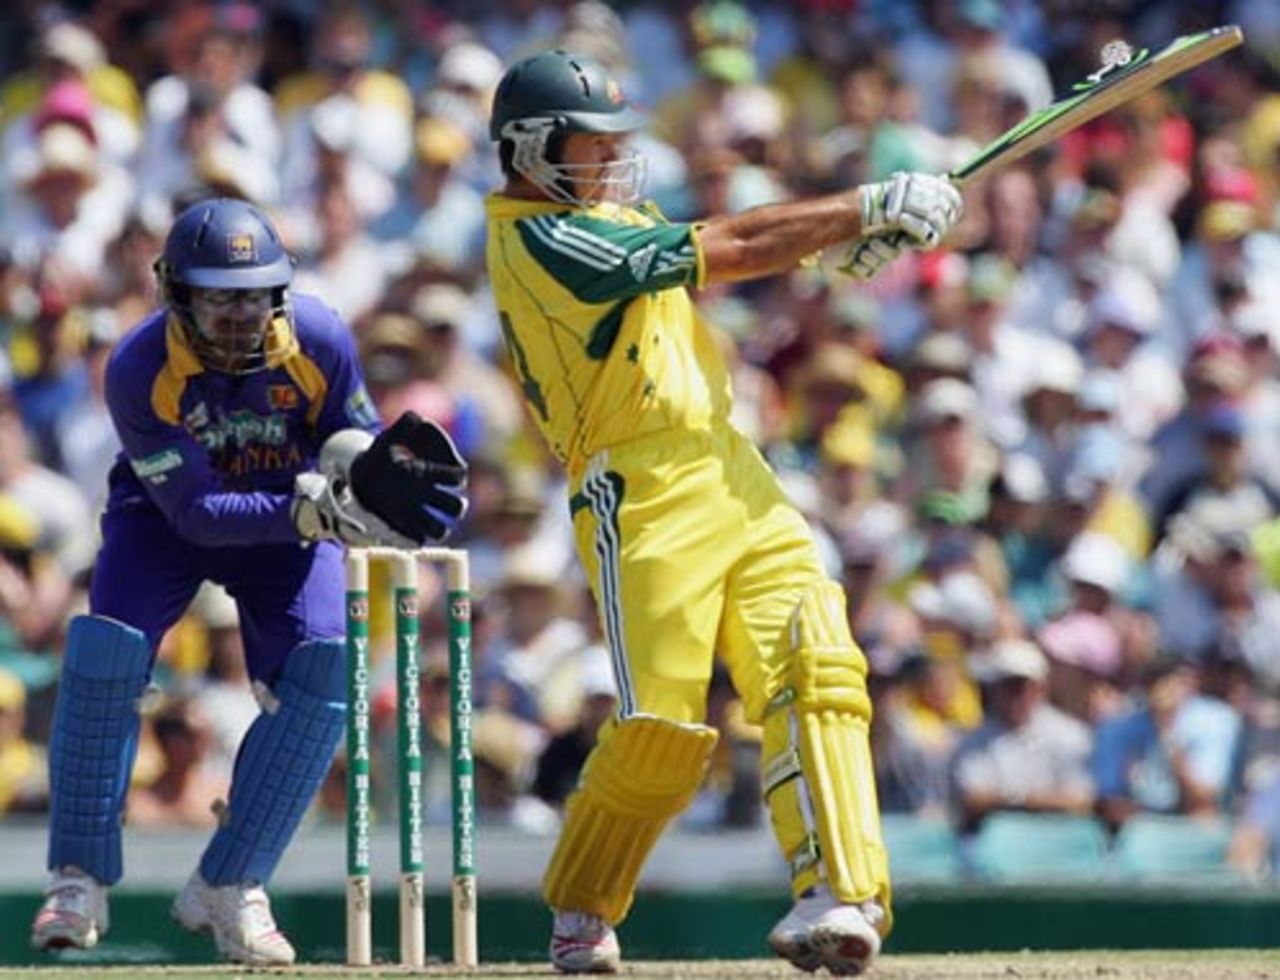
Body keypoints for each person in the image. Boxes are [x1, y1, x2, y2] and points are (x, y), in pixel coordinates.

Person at [484, 49, 962, 976]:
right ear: (532, 149)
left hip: (729, 461)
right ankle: (583, 904)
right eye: (591, 144)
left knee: (818, 661)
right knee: (662, 733)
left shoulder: (607, 212)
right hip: (641, 490)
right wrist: (862, 207)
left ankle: (841, 892)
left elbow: (734, 258)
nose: (613, 160)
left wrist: (834, 249)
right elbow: (724, 247)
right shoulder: (537, 239)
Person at [29, 197, 467, 965]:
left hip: (290, 525)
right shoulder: (140, 364)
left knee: (328, 673)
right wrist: (318, 514)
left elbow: (346, 430)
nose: (239, 314)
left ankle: (231, 888)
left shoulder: (319, 336)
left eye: (254, 293)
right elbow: (197, 512)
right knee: (106, 653)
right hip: (164, 520)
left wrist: (360, 476)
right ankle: (78, 879)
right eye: (217, 295)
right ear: (176, 293)